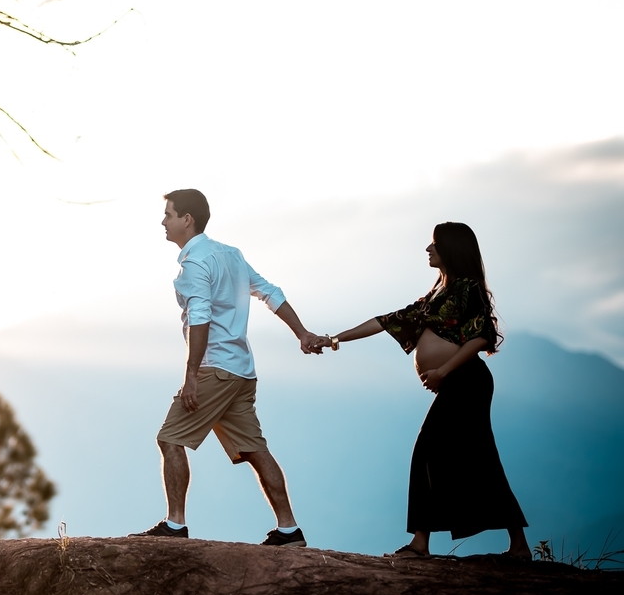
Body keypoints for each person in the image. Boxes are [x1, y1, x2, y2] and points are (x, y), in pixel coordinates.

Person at [314, 222, 529, 559]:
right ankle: (515, 545)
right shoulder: (437, 294)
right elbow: (385, 320)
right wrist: (334, 339)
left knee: (432, 449)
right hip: (456, 382)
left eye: (435, 243)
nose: (429, 249)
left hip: (468, 381)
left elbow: (481, 337)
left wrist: (443, 369)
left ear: (451, 249)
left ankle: (422, 543)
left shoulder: (468, 289)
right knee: (474, 456)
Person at [130, 189, 321, 546]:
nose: (163, 221)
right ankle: (289, 530)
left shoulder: (195, 264)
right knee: (254, 449)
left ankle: (175, 525)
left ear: (187, 220)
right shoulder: (231, 254)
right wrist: (302, 333)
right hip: (241, 372)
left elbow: (200, 318)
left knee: (170, 438)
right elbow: (269, 292)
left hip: (214, 370)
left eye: (168, 215)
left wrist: (191, 376)